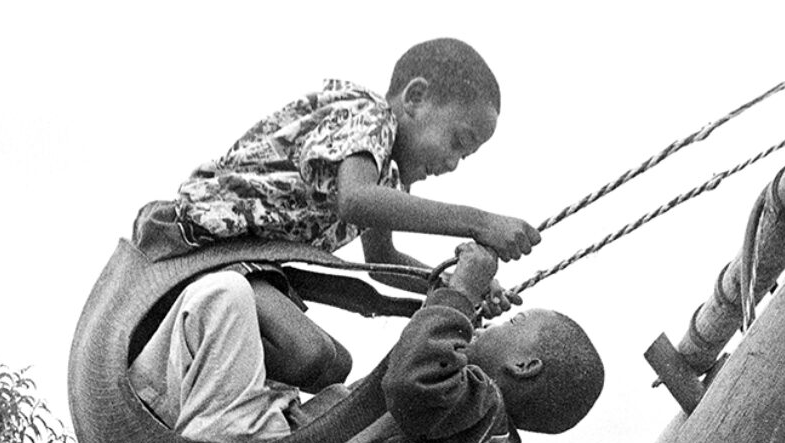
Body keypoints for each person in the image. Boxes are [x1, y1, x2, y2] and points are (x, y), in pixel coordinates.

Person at [127, 240, 604, 443]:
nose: (495, 323)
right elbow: (411, 374)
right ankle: (165, 396)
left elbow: (409, 379)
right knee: (332, 362)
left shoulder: (478, 414)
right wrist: (442, 298)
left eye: (512, 325)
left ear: (525, 367)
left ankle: (150, 398)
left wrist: (461, 293)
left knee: (224, 293)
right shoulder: (481, 439)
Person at [132, 37, 541, 390]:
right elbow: (356, 200)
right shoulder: (367, 114)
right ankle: (187, 372)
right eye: (457, 141)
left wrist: (454, 286)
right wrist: (481, 222)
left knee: (331, 366)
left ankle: (224, 388)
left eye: (465, 156)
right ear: (415, 98)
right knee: (309, 353)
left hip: (245, 266)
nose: (453, 163)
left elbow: (381, 263)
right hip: (197, 245)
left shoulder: (387, 179)